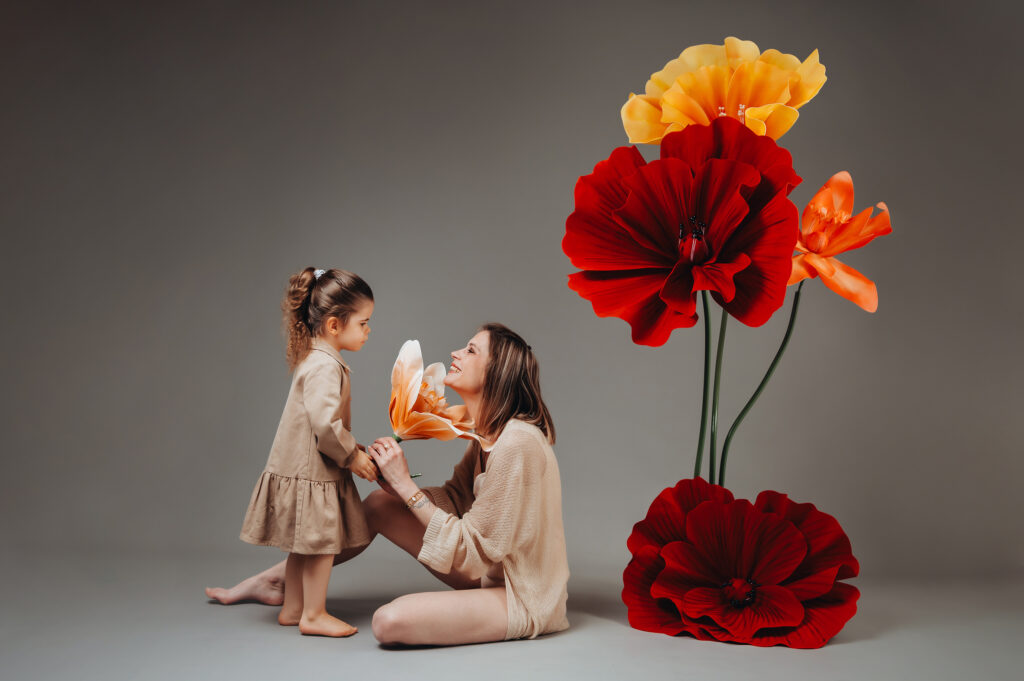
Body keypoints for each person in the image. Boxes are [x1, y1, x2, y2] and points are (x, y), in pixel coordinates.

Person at [208, 323, 570, 645]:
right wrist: (395, 486)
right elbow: (456, 500)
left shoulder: (517, 442)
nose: (456, 353)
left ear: (498, 372)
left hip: (520, 593)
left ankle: (290, 584)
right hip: (488, 570)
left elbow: (470, 552)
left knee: (388, 622)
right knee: (380, 505)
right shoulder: (487, 437)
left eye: (471, 349)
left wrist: (408, 488)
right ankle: (280, 580)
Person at [237, 267, 379, 637]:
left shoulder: (316, 359)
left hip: (304, 468)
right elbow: (325, 426)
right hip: (313, 472)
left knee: (303, 545)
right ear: (334, 325)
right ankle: (313, 614)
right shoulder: (324, 367)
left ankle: (293, 607)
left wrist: (351, 447)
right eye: (363, 323)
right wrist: (353, 457)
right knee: (321, 546)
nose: (368, 331)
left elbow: (323, 424)